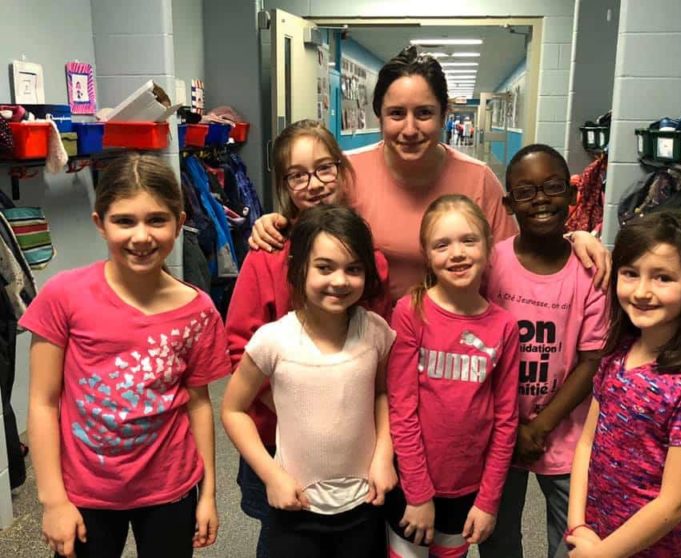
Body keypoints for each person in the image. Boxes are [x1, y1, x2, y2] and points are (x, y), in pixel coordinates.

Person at [249, 46, 611, 299]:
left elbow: (512, 257)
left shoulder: (476, 178)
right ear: (379, 116)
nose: (410, 129)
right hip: (363, 335)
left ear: (444, 114)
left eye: (424, 113)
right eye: (396, 114)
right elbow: (309, 224)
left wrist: (571, 240)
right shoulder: (349, 171)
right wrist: (273, 222)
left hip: (451, 341)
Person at [23, 153, 230, 558]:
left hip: (169, 487)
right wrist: (53, 501)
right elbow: (43, 402)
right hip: (86, 491)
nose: (141, 236)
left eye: (157, 220)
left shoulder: (198, 311)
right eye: (124, 221)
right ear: (100, 223)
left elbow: (199, 403)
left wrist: (208, 493)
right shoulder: (64, 296)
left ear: (179, 222)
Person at [225, 119, 392, 558]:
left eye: (324, 169)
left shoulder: (366, 256)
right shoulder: (267, 254)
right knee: (283, 528)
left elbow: (376, 359)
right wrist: (294, 403)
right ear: (283, 185)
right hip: (273, 436)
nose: (314, 184)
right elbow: (239, 348)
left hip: (350, 442)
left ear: (341, 168)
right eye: (297, 175)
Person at [566, 210, 681, 557]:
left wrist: (601, 554)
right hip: (594, 534)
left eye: (663, 278)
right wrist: (578, 525)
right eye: (630, 273)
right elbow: (587, 443)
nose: (641, 291)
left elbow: (674, 503)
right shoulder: (617, 354)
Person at [481, 145, 608, 558]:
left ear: (572, 194)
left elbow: (592, 360)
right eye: (525, 192)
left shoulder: (590, 272)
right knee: (497, 537)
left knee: (570, 538)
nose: (540, 200)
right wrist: (511, 427)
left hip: (565, 435)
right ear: (508, 204)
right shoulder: (490, 265)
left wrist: (539, 428)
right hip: (498, 432)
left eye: (553, 187)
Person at [386, 194, 520, 558]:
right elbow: (402, 409)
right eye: (442, 245)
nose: (457, 253)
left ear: (488, 248)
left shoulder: (504, 326)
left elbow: (506, 420)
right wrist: (418, 495)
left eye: (468, 240)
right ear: (427, 255)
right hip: (412, 485)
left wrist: (488, 501)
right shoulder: (410, 312)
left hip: (467, 490)